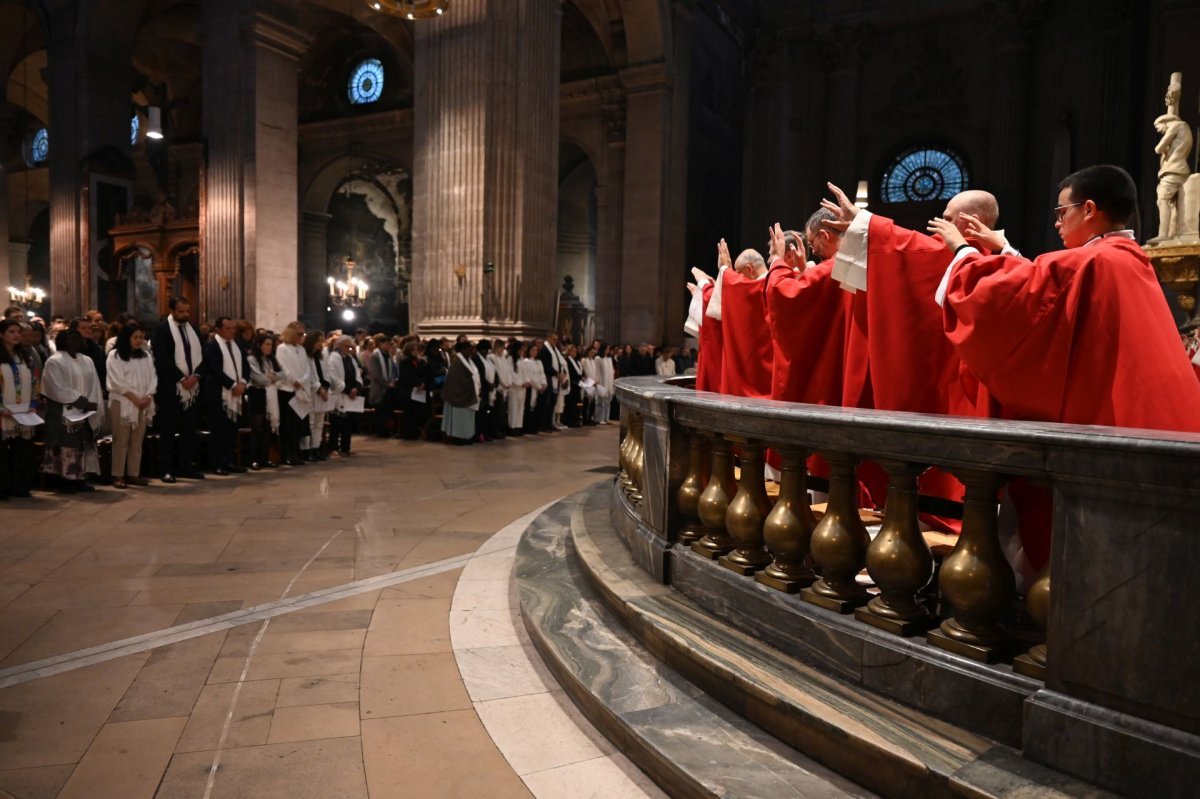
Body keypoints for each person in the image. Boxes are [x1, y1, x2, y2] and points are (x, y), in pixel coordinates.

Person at [931, 164, 1200, 569]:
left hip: (1112, 447)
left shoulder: (1094, 262)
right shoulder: (1126, 257)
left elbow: (1014, 299)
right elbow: (1050, 297)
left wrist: (963, 251)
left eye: (1062, 212)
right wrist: (1005, 251)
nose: (1057, 222)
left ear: (1089, 209)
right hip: (1156, 433)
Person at [39, 328, 103, 491]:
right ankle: (62, 480)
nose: (75, 342)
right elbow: (57, 387)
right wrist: (81, 401)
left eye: (78, 339)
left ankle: (79, 478)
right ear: (62, 341)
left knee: (81, 445)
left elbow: (94, 382)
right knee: (64, 446)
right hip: (62, 411)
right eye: (71, 339)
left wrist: (92, 402)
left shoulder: (86, 360)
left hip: (84, 412)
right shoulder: (55, 361)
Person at [151, 297, 205, 483]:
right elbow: (162, 359)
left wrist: (196, 376)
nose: (185, 314)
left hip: (192, 387)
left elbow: (202, 356)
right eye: (181, 311)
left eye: (187, 311)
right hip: (170, 387)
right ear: (172, 310)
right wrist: (181, 378)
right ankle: (166, 468)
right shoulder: (161, 330)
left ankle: (186, 465)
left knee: (189, 429)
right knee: (168, 429)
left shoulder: (194, 330)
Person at [106, 323, 156, 488]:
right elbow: (116, 381)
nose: (139, 340)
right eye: (135, 337)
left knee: (137, 441)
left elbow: (153, 377)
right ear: (126, 337)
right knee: (121, 440)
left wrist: (148, 395)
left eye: (141, 337)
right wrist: (135, 398)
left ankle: (134, 473)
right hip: (123, 402)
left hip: (143, 403)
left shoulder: (146, 356)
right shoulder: (115, 355)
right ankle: (118, 475)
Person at [201, 316, 250, 475]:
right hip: (217, 394)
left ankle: (229, 461)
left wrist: (242, 382)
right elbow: (214, 370)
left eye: (233, 328)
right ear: (218, 330)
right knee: (219, 430)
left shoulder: (238, 346)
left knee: (231, 430)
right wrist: (233, 385)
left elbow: (245, 367)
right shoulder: (212, 346)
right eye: (228, 328)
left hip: (235, 393)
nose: (232, 331)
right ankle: (217, 463)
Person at [0, 318, 39, 499]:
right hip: (3, 413)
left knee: (21, 451)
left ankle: (19, 485)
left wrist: (32, 404)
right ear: (2, 335)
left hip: (23, 412)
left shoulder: (26, 357)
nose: (17, 335)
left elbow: (34, 381)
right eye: (11, 332)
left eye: (18, 332)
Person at [275, 322, 312, 466]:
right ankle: (287, 454)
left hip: (300, 389)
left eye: (303, 334)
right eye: (299, 334)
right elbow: (283, 367)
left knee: (298, 424)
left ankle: (295, 453)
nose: (302, 337)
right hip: (287, 390)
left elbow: (307, 368)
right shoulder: (282, 348)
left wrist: (302, 380)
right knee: (288, 424)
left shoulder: (301, 349)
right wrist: (293, 380)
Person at [246, 333, 282, 469]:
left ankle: (264, 458)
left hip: (270, 393)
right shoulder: (252, 359)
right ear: (259, 345)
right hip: (257, 393)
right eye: (267, 344)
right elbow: (258, 378)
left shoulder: (271, 359)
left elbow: (282, 374)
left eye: (271, 345)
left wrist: (271, 376)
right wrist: (271, 377)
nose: (270, 347)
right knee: (256, 428)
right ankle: (253, 459)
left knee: (267, 428)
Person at [325, 335, 363, 456]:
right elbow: (333, 377)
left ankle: (346, 448)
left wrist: (357, 387)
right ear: (339, 346)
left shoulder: (350, 359)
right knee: (336, 422)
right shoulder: (333, 358)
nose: (349, 349)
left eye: (350, 347)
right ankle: (333, 448)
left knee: (348, 422)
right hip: (340, 394)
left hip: (351, 394)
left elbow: (357, 374)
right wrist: (347, 389)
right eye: (347, 346)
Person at [441, 340, 480, 445]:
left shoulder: (468, 360)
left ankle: (467, 437)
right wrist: (470, 384)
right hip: (460, 394)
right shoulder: (457, 362)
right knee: (460, 419)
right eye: (469, 349)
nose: (471, 351)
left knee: (467, 419)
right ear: (463, 350)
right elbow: (457, 379)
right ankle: (459, 438)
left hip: (469, 394)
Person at [302, 330, 331, 461]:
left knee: (319, 423)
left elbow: (325, 374)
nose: (321, 343)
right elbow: (309, 376)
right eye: (319, 340)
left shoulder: (319, 356)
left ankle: (316, 447)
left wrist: (325, 388)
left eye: (322, 340)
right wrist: (319, 389)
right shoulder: (306, 355)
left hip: (322, 392)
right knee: (310, 422)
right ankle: (306, 450)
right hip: (311, 392)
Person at [367, 334, 399, 438]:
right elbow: (376, 374)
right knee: (380, 411)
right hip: (379, 388)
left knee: (388, 411)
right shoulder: (375, 356)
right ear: (380, 344)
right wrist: (386, 384)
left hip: (389, 388)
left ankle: (387, 430)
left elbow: (393, 371)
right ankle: (380, 432)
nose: (389, 345)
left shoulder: (389, 355)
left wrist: (392, 381)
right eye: (387, 343)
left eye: (390, 343)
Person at [537, 333, 566, 432]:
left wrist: (561, 374)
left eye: (556, 340)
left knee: (552, 403)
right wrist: (556, 374)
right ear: (548, 338)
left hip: (555, 379)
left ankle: (550, 423)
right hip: (548, 378)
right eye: (554, 339)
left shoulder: (555, 350)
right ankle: (543, 424)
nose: (555, 341)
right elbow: (546, 366)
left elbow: (559, 363)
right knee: (546, 403)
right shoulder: (544, 350)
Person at [471, 339, 497, 442]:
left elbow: (495, 373)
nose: (486, 352)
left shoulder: (489, 360)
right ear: (480, 350)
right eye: (485, 350)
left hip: (490, 390)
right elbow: (479, 375)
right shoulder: (476, 359)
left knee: (487, 413)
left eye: (488, 350)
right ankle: (478, 434)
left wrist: (495, 383)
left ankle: (486, 433)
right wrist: (487, 385)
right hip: (482, 390)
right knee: (480, 414)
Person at [563, 344, 584, 428]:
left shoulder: (577, 361)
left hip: (577, 384)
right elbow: (569, 373)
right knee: (570, 403)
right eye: (573, 351)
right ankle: (569, 420)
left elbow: (579, 372)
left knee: (576, 403)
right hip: (571, 384)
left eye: (575, 351)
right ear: (569, 352)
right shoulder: (567, 361)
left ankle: (575, 420)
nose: (575, 353)